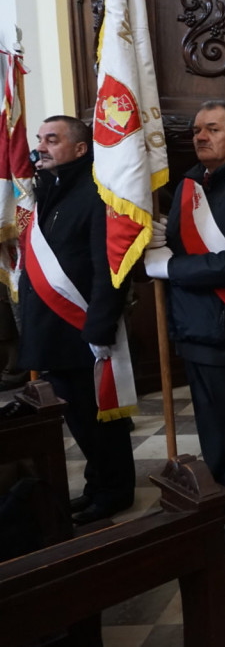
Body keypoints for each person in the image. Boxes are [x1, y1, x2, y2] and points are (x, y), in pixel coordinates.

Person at [144, 100, 225, 550]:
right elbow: (184, 245)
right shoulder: (188, 184)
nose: (200, 136)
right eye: (197, 130)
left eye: (212, 129)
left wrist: (172, 267)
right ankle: (222, 497)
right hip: (191, 326)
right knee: (211, 430)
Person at [18, 115, 136, 525]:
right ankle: (96, 485)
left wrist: (100, 327)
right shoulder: (47, 191)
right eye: (40, 139)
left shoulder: (95, 195)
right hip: (53, 332)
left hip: (83, 332)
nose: (41, 147)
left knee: (101, 421)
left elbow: (108, 270)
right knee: (81, 422)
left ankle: (115, 491)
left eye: (53, 140)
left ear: (80, 149)